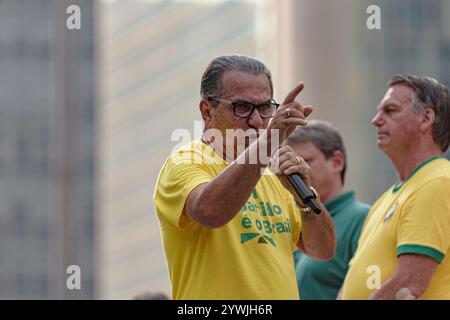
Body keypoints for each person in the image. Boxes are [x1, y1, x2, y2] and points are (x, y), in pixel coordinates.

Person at [153, 55, 336, 299]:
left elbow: (323, 250)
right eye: (242, 107)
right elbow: (211, 211)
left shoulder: (275, 171)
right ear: (207, 110)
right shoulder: (185, 162)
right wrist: (269, 141)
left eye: (264, 108)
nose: (257, 120)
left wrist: (305, 200)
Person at [341, 74, 450, 300]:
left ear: (425, 118)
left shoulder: (437, 183)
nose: (375, 120)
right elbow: (354, 278)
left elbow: (408, 285)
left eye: (390, 110)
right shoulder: (386, 199)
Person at [286, 121, 370, 300]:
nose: (294, 171)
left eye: (304, 162)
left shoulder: (363, 218)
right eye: (288, 165)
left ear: (337, 162)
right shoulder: (290, 220)